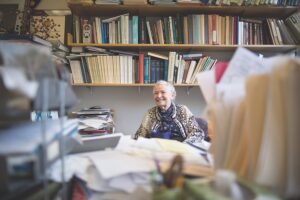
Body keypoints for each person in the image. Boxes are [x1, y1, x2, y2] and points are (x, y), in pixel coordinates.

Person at [134, 80, 205, 144]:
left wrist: (183, 146)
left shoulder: (183, 110)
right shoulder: (150, 113)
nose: (159, 96)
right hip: (157, 152)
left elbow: (198, 133)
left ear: (173, 95)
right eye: (156, 93)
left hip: (180, 152)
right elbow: (138, 137)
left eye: (163, 92)